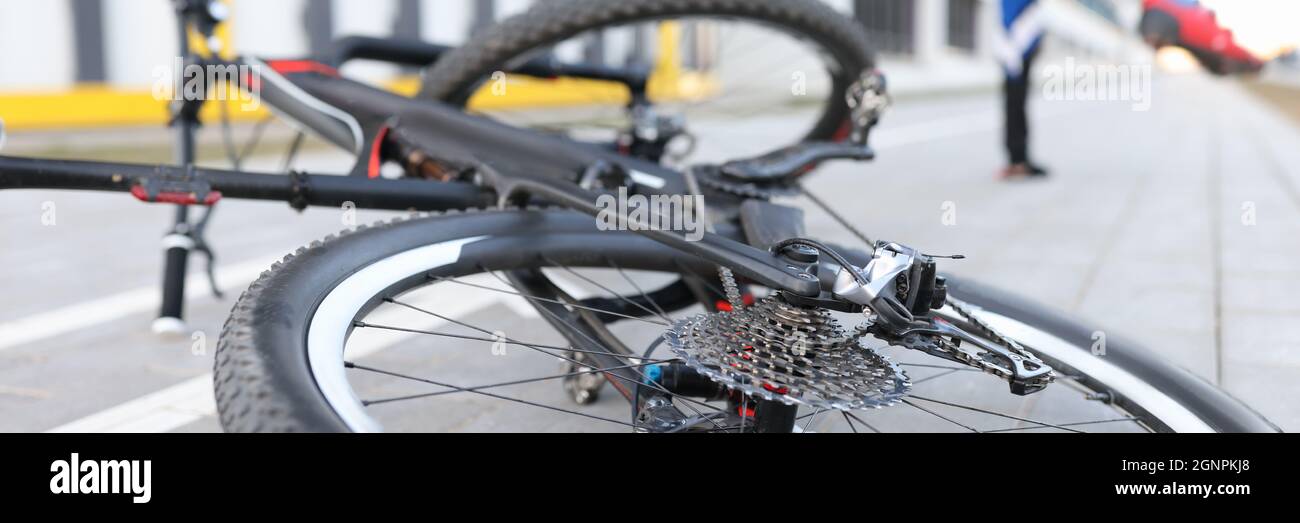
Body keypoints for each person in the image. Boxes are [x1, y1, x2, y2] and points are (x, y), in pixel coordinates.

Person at [998, 0, 1048, 179]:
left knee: (1017, 102)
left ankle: (1020, 158)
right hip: (1015, 45)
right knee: (1015, 102)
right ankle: (1017, 160)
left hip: (1017, 43)